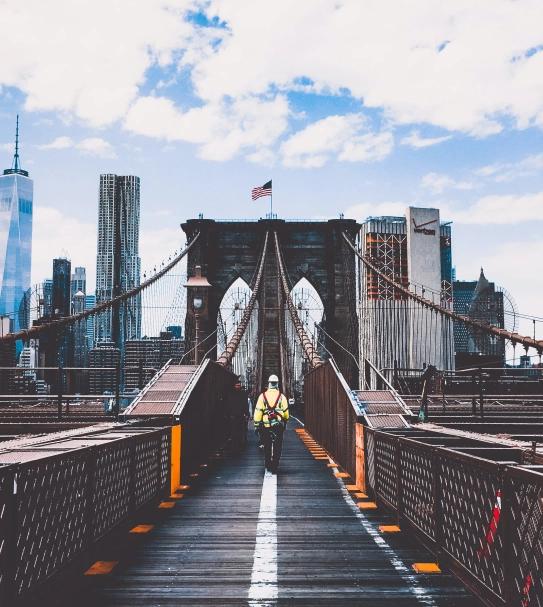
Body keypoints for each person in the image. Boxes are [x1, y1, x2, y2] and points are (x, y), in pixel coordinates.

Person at [253, 374, 289, 474]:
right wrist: (285, 420)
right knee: (277, 446)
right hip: (278, 426)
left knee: (267, 446)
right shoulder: (282, 397)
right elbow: (286, 413)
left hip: (265, 426)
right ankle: (275, 465)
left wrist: (256, 425)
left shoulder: (262, 396)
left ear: (269, 384)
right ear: (277, 384)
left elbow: (258, 411)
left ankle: (268, 464)